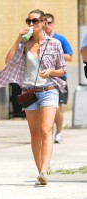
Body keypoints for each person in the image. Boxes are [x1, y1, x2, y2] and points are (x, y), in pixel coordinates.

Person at [0, 9, 66, 186]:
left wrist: (51, 71)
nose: (31, 24)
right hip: (29, 91)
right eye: (29, 21)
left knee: (45, 130)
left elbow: (62, 69)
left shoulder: (55, 43)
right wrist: (18, 39)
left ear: (43, 23)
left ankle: (44, 170)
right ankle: (40, 173)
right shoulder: (24, 45)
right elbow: (8, 61)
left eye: (35, 21)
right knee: (34, 134)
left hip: (49, 89)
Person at [44, 13, 73, 144]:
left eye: (50, 23)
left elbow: (70, 57)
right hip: (43, 79)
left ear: (53, 24)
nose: (47, 25)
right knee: (44, 107)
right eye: (45, 22)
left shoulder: (60, 39)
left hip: (59, 78)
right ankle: (47, 132)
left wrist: (56, 51)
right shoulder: (39, 39)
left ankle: (59, 132)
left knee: (58, 107)